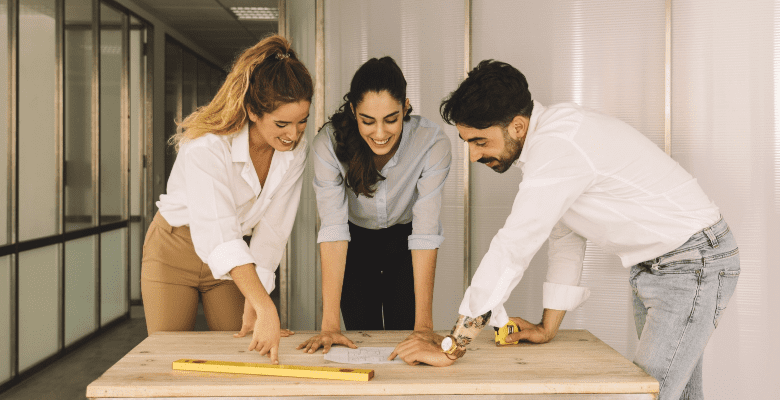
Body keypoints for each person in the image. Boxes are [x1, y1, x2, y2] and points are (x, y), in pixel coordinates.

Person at [392, 60, 740, 400]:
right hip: (666, 266)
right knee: (676, 395)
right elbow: (566, 235)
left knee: (648, 393)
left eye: (480, 142)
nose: (472, 156)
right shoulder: (551, 142)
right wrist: (548, 326)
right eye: (467, 142)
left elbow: (513, 247)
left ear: (516, 126)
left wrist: (456, 344)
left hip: (692, 263)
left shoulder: (558, 146)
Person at [141, 35, 313, 365]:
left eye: (301, 121)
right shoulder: (207, 145)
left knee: (245, 353)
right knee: (170, 360)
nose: (293, 134)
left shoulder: (294, 150)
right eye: (282, 124)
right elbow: (218, 233)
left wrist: (256, 297)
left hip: (236, 257)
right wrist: (265, 304)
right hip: (175, 250)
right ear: (252, 110)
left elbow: (274, 230)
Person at [297, 57, 452, 355]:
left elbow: (425, 231)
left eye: (391, 119)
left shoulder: (432, 143)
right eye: (368, 121)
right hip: (354, 241)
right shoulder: (327, 144)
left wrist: (424, 327)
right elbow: (333, 228)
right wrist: (329, 326)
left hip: (404, 238)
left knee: (406, 335)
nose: (379, 134)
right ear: (354, 110)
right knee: (360, 337)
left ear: (406, 108)